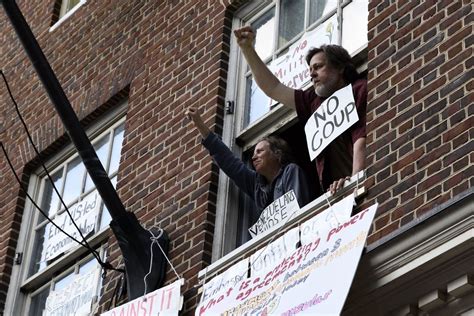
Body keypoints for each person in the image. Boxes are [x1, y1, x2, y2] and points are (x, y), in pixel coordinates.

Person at [234, 26, 367, 195]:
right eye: (310, 69)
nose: (312, 74)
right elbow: (273, 88)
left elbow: (361, 138)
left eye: (318, 67)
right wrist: (247, 49)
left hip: (360, 185)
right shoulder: (313, 102)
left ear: (340, 67)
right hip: (337, 192)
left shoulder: (359, 89)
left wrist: (356, 183)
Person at [186, 106, 313, 218]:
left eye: (259, 152)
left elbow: (299, 209)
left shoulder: (290, 171)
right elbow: (229, 162)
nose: (253, 157)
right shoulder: (256, 185)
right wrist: (200, 124)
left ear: (277, 154)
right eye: (253, 153)